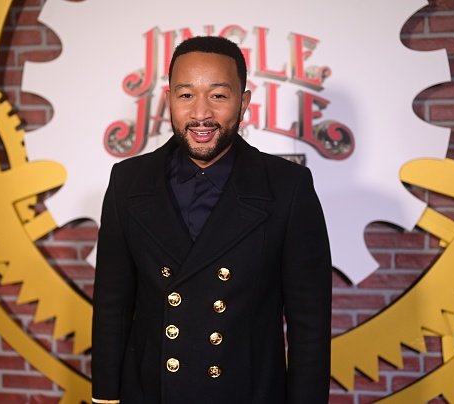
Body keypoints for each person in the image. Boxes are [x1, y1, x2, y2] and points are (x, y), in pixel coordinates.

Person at [91, 35, 332, 404]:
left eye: (218, 95)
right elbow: (112, 305)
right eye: (186, 95)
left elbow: (309, 324)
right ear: (169, 99)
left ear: (244, 102)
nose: (201, 114)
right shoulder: (128, 181)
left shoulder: (288, 187)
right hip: (150, 392)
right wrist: (106, 397)